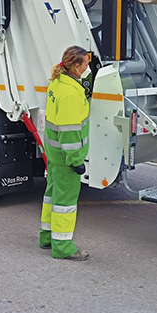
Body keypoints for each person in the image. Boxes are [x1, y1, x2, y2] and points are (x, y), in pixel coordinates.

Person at [39, 46, 91, 261]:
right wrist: (76, 160)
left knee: (52, 194)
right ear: (77, 66)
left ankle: (47, 236)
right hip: (66, 157)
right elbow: (69, 131)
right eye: (86, 64)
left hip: (54, 152)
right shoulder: (70, 93)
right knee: (65, 202)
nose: (88, 67)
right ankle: (62, 246)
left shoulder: (58, 82)